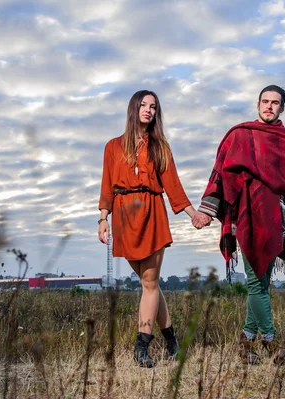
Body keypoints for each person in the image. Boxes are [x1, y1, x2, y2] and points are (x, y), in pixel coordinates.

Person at [192, 85, 285, 365]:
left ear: (282, 107)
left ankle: (246, 341)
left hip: (274, 222)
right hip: (246, 218)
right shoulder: (240, 135)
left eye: (275, 103)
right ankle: (271, 342)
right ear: (257, 104)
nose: (269, 106)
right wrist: (208, 212)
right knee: (256, 283)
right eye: (265, 101)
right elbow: (221, 172)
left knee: (260, 282)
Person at [98, 90, 201, 368]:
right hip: (124, 215)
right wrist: (103, 218)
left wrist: (193, 213)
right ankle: (172, 342)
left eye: (153, 107)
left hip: (153, 211)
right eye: (143, 105)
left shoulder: (161, 147)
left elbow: (173, 185)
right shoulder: (113, 146)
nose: (149, 110)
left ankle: (141, 347)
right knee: (149, 285)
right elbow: (107, 184)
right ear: (134, 109)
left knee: (150, 283)